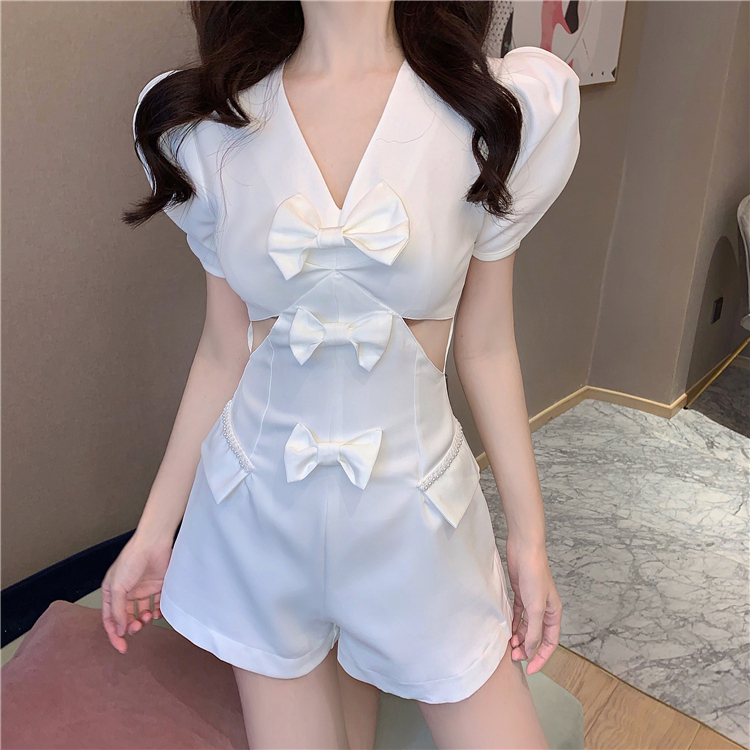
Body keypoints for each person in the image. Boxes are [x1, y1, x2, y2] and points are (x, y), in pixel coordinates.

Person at [104, 1, 581, 747]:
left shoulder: (486, 112)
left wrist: (529, 536)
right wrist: (155, 530)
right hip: (259, 521)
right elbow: (224, 350)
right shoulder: (212, 128)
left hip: (416, 525)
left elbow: (486, 345)